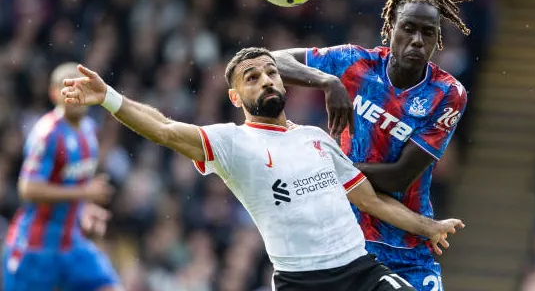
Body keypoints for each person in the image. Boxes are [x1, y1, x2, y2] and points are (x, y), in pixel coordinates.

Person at [61, 47, 465, 291]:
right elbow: (165, 129)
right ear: (236, 97)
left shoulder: (317, 139)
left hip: (360, 272)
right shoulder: (233, 143)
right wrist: (109, 98)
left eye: (271, 72)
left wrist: (425, 227)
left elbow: (369, 200)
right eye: (252, 77)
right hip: (301, 282)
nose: (267, 80)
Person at [272, 0, 472, 290]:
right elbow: (270, 61)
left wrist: (328, 170)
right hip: (344, 243)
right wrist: (327, 81)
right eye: (408, 28)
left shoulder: (447, 93)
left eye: (428, 33)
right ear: (391, 27)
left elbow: (399, 175)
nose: (417, 41)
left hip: (405, 249)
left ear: (438, 39)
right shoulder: (355, 64)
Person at [3, 63, 120, 291]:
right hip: (35, 248)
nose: (76, 93)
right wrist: (84, 193)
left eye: (82, 86)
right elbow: (28, 189)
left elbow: (68, 182)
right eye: (68, 87)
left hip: (71, 242)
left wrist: (83, 208)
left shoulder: (89, 129)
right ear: (54, 93)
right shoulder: (47, 133)